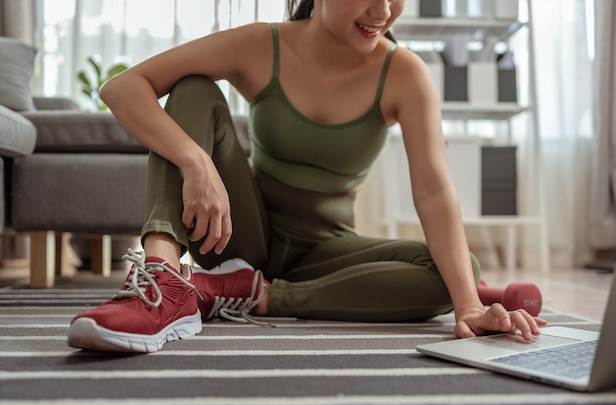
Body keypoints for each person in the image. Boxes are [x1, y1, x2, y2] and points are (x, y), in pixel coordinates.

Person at [67, 0, 547, 353]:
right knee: (192, 88)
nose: (382, 10)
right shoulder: (263, 44)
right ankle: (165, 283)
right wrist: (197, 162)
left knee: (458, 273)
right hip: (240, 233)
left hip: (324, 249)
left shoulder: (405, 75)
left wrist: (466, 306)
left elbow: (435, 189)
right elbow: (124, 87)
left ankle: (241, 293)